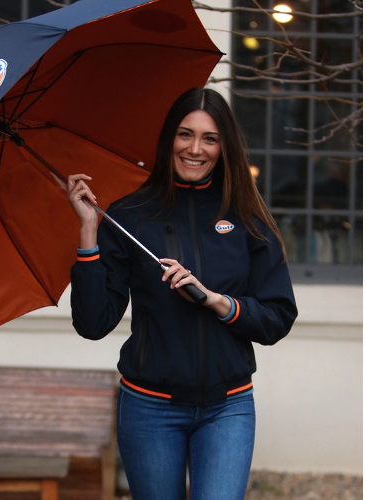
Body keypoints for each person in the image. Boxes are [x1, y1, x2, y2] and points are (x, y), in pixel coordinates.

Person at [66, 87, 297, 500]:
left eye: (210, 138)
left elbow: (277, 317)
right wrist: (87, 232)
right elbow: (93, 323)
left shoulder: (247, 215)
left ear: (224, 146)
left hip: (228, 407)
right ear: (168, 138)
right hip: (149, 408)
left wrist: (217, 302)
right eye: (185, 134)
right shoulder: (130, 216)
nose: (195, 149)